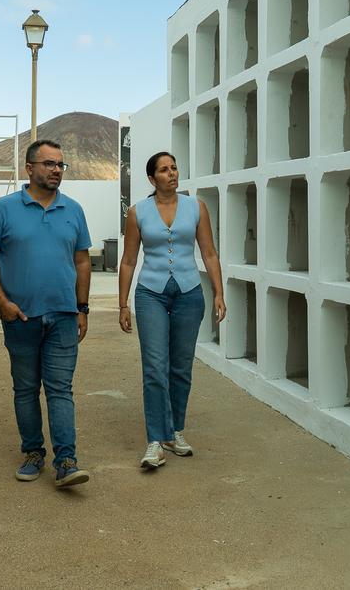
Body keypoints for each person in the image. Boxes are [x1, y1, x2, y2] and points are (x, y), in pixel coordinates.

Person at [0, 139, 93, 488]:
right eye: (49, 164)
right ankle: (33, 453)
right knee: (25, 389)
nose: (56, 170)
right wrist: (2, 303)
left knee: (60, 389)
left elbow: (82, 261)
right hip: (21, 318)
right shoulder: (4, 209)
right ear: (29, 168)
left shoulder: (73, 210)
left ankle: (66, 461)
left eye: (60, 165)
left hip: (64, 316)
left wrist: (82, 307)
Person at [118, 151, 225, 470]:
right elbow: (128, 260)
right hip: (151, 293)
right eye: (164, 170)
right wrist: (122, 304)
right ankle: (155, 440)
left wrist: (219, 292)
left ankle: (174, 431)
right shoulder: (137, 212)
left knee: (181, 367)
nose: (172, 173)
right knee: (154, 366)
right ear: (152, 179)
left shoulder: (196, 207)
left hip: (189, 293)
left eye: (174, 168)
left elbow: (209, 252)